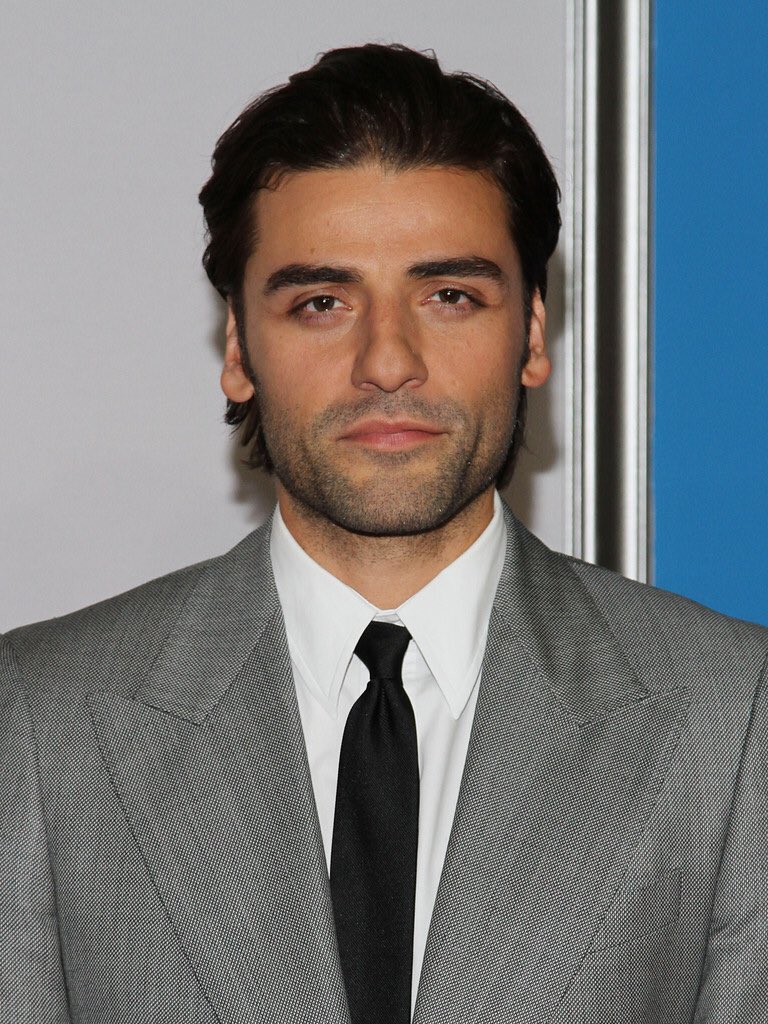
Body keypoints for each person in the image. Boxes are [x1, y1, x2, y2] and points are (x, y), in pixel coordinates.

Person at [1, 43, 766, 1024]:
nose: (389, 360)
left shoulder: (732, 719)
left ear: (533, 333)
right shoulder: (43, 720)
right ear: (239, 348)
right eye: (322, 302)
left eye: (449, 296)